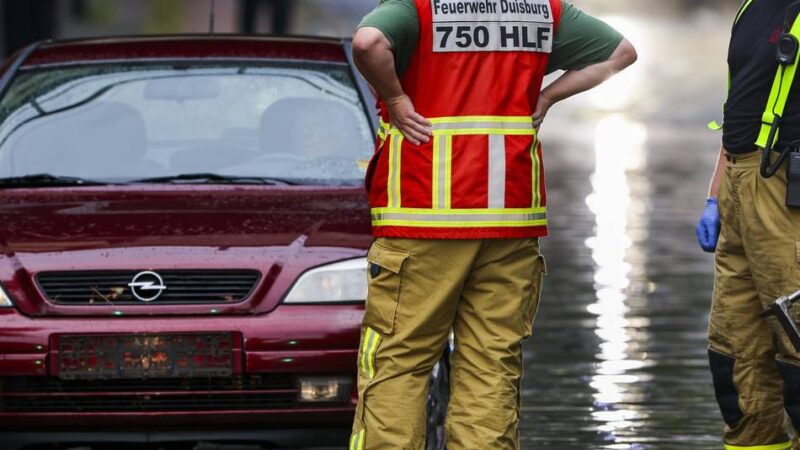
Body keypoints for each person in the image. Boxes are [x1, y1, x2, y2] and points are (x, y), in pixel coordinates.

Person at [351, 1, 636, 449]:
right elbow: (620, 53)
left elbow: (368, 43)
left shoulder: (418, 6)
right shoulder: (541, 9)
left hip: (422, 216)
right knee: (490, 364)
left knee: (400, 362)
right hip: (510, 217)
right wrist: (546, 96)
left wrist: (396, 98)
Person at [696, 1, 800, 448]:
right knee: (735, 357)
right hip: (738, 186)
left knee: (796, 343)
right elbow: (739, 106)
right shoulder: (751, 8)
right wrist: (714, 195)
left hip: (783, 189)